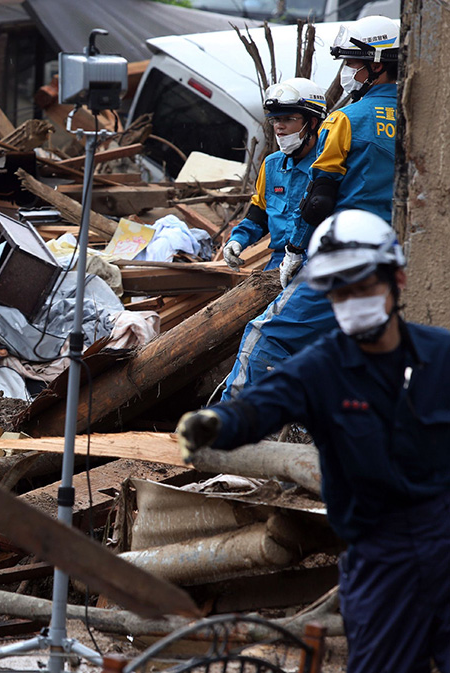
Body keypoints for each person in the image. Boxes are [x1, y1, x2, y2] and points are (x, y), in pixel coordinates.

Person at [178, 210, 450, 673]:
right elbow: (258, 406)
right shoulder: (320, 369)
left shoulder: (442, 357)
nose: (351, 301)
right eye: (339, 291)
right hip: (378, 560)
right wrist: (215, 423)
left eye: (362, 286)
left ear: (397, 278)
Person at [220, 78, 338, 399]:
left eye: (288, 119)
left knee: (271, 338)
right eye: (275, 121)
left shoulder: (328, 170)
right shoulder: (272, 165)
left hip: (313, 268)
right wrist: (238, 240)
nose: (280, 128)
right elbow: (258, 213)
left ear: (313, 122)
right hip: (275, 269)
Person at [289, 15, 399, 282]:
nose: (346, 71)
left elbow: (319, 199)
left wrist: (294, 249)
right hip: (400, 247)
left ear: (376, 65)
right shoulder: (418, 117)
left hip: (349, 248)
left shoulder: (344, 119)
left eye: (350, 62)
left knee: (272, 325)